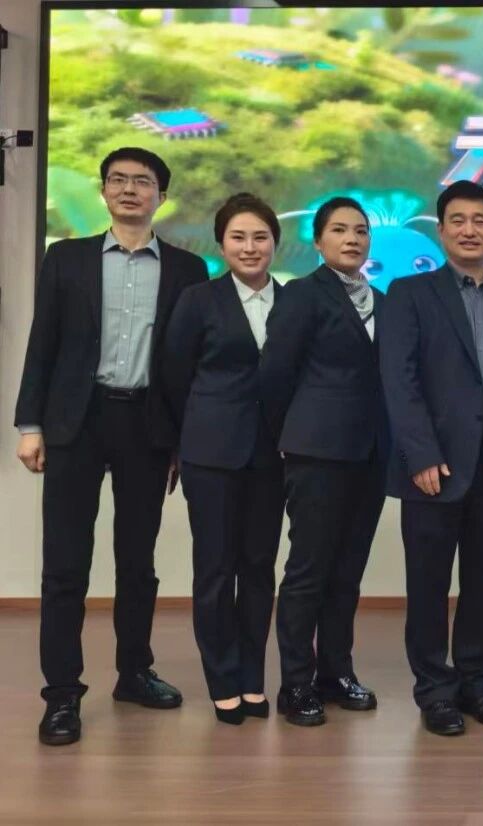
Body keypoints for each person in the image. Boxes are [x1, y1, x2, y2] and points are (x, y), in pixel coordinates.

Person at [15, 147, 206, 746]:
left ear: (161, 197)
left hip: (146, 426)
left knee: (137, 562)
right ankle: (62, 694)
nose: (129, 189)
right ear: (103, 192)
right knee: (64, 565)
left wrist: (182, 440)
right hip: (76, 421)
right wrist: (30, 424)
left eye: (142, 181)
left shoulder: (188, 269)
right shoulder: (66, 258)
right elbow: (43, 342)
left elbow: (188, 363)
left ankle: (133, 672)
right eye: (117, 180)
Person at [381, 181, 483, 736]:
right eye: (458, 220)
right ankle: (435, 691)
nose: (469, 230)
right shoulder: (408, 293)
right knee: (428, 586)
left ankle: (477, 683)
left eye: (480, 220)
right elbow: (399, 380)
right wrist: (419, 454)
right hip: (432, 468)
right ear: (441, 231)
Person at [259, 196, 387, 727]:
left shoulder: (383, 300)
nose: (352, 239)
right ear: (318, 241)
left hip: (371, 455)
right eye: (339, 230)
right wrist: (290, 438)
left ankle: (337, 673)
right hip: (316, 454)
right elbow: (274, 374)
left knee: (347, 571)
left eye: (360, 231)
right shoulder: (301, 296)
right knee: (308, 571)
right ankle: (296, 683)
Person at [162, 193, 286, 725]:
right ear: (221, 245)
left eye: (260, 237)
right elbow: (173, 376)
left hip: (273, 456)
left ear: (275, 242)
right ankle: (222, 680)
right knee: (214, 569)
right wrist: (179, 444)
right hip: (210, 454)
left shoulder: (293, 300)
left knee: (258, 568)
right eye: (238, 237)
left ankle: (253, 677)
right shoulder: (198, 300)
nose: (250, 247)